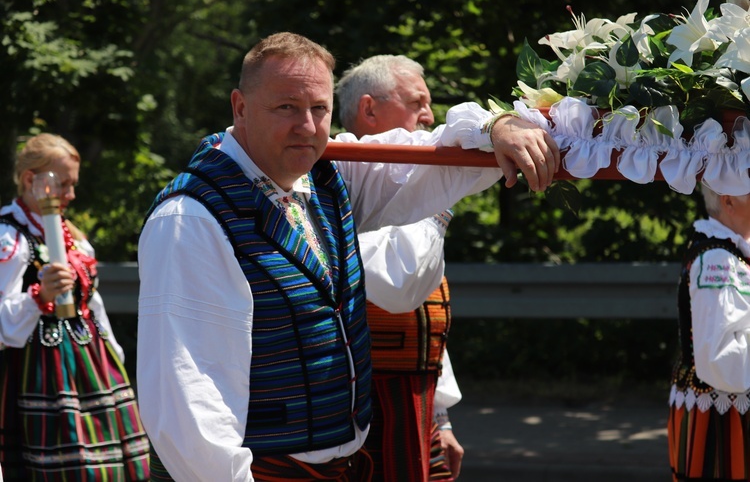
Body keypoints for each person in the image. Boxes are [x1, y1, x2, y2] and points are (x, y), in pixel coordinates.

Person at [137, 31, 559, 481]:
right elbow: (189, 400)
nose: (307, 125)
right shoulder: (190, 219)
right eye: (286, 108)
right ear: (240, 107)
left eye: (318, 109)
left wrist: (496, 127)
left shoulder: (320, 180)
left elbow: (425, 162)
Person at [336, 54, 464, 481]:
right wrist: (438, 205)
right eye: (416, 102)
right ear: (369, 109)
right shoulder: (333, 180)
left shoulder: (414, 179)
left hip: (417, 408)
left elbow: (427, 319)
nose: (429, 116)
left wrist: (440, 420)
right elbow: (400, 281)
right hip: (361, 406)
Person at [0, 133, 150, 480]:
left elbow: (93, 305)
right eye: (63, 184)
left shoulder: (74, 237)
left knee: (116, 466)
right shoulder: (10, 237)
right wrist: (39, 297)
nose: (71, 194)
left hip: (93, 365)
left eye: (73, 184)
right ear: (29, 180)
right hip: (39, 372)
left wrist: (114, 357)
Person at [668, 184, 750, 481]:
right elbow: (725, 364)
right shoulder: (718, 261)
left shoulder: (731, 251)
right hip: (723, 419)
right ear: (728, 201)